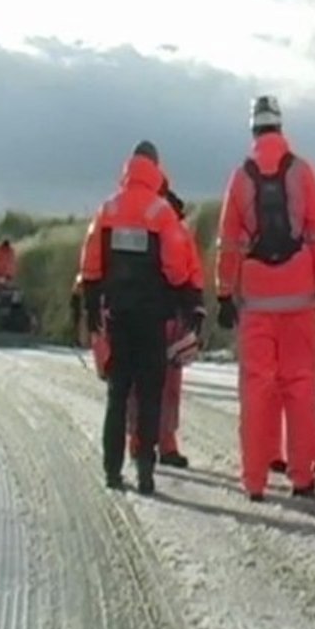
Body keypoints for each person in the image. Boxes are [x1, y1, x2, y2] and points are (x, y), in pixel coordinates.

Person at [215, 95, 315, 501]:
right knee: (299, 386)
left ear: (253, 130)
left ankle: (254, 481)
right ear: (280, 127)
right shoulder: (302, 172)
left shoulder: (241, 177)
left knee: (256, 388)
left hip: (258, 295)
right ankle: (302, 477)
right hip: (299, 293)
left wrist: (224, 292)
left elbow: (229, 241)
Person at [79, 139, 196, 495]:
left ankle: (112, 472)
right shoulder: (161, 212)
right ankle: (146, 471)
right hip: (151, 320)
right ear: (156, 170)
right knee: (149, 396)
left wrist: (91, 307)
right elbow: (176, 267)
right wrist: (186, 301)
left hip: (118, 319)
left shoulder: (107, 210)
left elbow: (90, 266)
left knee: (117, 397)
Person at [126, 186, 206, 469]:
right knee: (162, 385)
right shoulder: (175, 228)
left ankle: (148, 442)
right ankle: (154, 443)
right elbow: (192, 271)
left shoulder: (142, 222)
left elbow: (193, 269)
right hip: (163, 315)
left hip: (159, 315)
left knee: (145, 384)